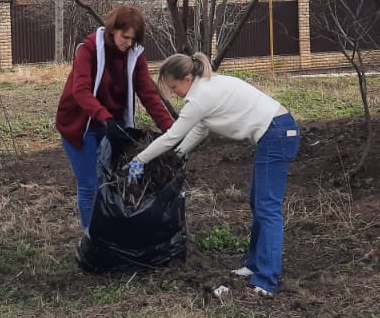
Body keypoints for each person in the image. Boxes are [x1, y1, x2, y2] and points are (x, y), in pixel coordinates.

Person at [128, 53, 299, 297]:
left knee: (267, 208)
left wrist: (140, 159)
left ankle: (266, 281)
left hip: (278, 134)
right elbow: (200, 128)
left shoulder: (200, 97)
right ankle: (254, 265)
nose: (173, 93)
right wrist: (178, 156)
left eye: (174, 87)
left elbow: (172, 136)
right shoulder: (207, 86)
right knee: (259, 203)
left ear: (187, 78)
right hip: (276, 132)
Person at [54, 5, 175, 231]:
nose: (128, 42)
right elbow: (81, 91)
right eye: (125, 36)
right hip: (80, 125)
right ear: (112, 31)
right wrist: (104, 117)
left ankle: (108, 232)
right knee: (90, 184)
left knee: (111, 182)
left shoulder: (134, 54)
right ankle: (90, 236)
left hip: (112, 125)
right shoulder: (88, 50)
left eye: (133, 38)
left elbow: (146, 92)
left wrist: (169, 127)